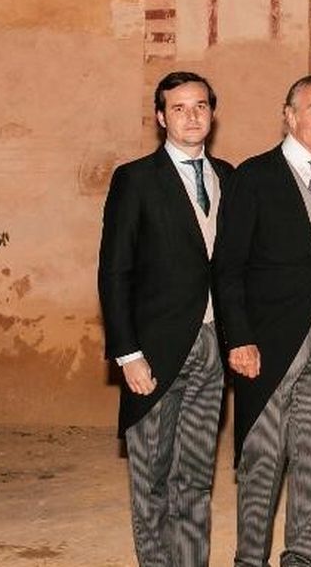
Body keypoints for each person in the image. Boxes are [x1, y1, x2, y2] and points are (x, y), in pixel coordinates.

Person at [98, 71, 231, 567]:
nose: (191, 116)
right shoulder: (135, 179)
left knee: (195, 476)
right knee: (151, 477)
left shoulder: (228, 178)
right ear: (160, 117)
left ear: (212, 115)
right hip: (153, 352)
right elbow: (115, 271)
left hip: (214, 348)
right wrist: (126, 352)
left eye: (200, 106)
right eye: (179, 108)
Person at [214, 75, 311, 567]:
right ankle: (251, 559)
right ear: (288, 115)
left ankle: (301, 557)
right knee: (263, 459)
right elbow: (228, 266)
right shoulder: (253, 176)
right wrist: (239, 338)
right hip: (267, 342)